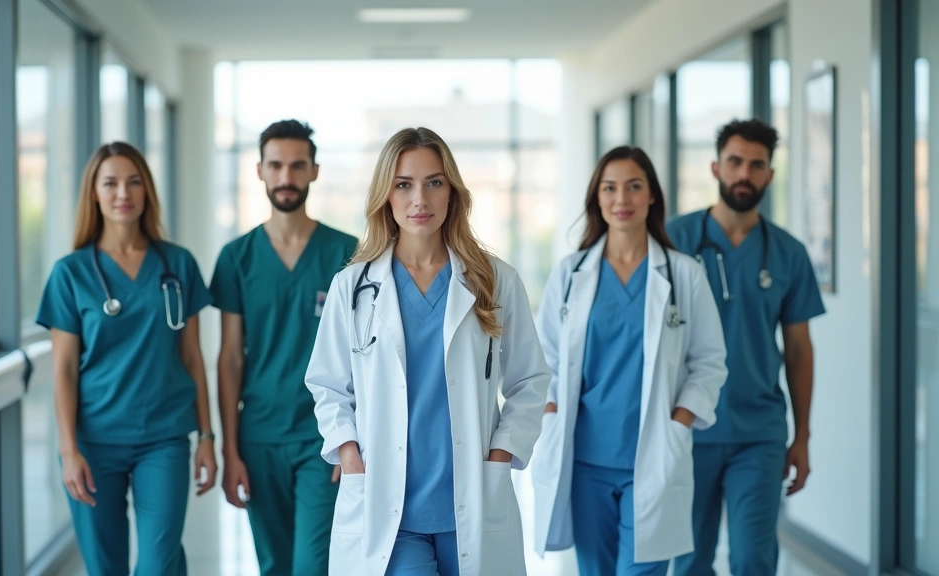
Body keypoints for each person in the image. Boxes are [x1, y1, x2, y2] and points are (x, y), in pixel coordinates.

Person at [304, 127, 549, 576]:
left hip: (472, 498)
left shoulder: (495, 281)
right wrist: (350, 454)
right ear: (386, 195)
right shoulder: (352, 287)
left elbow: (530, 381)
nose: (420, 199)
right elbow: (327, 385)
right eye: (404, 184)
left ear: (452, 193)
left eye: (434, 182)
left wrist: (500, 454)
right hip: (389, 507)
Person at [530, 146, 728, 575]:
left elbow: (710, 361)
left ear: (652, 196)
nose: (622, 199)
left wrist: (680, 420)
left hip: (654, 456)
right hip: (583, 460)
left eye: (634, 186)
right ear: (597, 199)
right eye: (610, 188)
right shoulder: (571, 273)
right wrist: (549, 408)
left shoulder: (683, 274)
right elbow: (541, 357)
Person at [37, 141, 217, 576]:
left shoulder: (177, 264)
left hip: (164, 436)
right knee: (104, 566)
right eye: (111, 182)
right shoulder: (71, 273)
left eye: (134, 181)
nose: (124, 192)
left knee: (158, 562)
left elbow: (193, 357)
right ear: (94, 194)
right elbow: (62, 369)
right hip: (94, 441)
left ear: (147, 191)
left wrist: (208, 437)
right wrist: (68, 450)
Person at [667, 119, 826, 576]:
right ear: (716, 167)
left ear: (770, 175)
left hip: (759, 433)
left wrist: (803, 436)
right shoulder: (673, 241)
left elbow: (798, 350)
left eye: (757, 165)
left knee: (753, 559)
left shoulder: (788, 253)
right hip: (687, 427)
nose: (745, 174)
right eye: (735, 162)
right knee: (689, 561)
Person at [210, 119, 357, 576]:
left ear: (314, 171)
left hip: (324, 436)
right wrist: (230, 451)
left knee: (313, 565)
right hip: (259, 436)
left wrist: (355, 437)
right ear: (259, 171)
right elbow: (230, 358)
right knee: (274, 564)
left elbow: (364, 355)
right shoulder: (237, 258)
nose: (286, 177)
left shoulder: (346, 253)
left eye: (297, 166)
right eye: (276, 165)